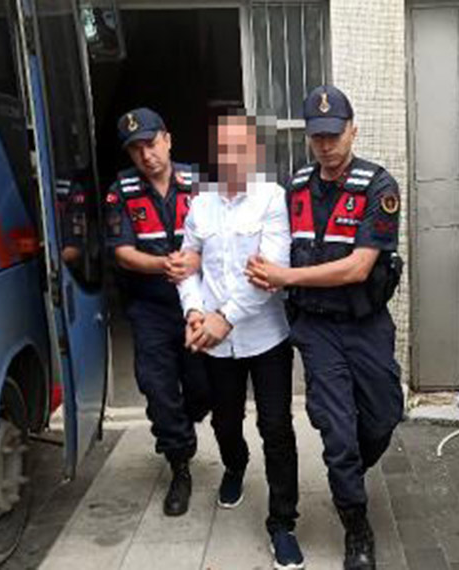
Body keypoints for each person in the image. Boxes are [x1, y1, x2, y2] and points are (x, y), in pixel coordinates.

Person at [246, 86, 403, 570]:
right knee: (338, 432)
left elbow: (358, 267)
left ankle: (349, 466)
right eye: (318, 137)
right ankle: (356, 525)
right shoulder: (294, 188)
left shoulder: (378, 187)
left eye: (335, 134)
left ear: (353, 130)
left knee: (383, 415)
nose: (327, 145)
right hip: (316, 328)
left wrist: (286, 277)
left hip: (365, 322)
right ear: (308, 138)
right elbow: (270, 246)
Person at [177, 114, 304, 569]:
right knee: (225, 421)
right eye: (223, 149)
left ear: (254, 151)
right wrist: (194, 311)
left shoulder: (272, 198)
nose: (232, 158)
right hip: (216, 342)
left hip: (266, 337)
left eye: (240, 148)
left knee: (276, 427)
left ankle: (282, 522)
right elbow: (187, 265)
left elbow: (268, 273)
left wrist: (223, 319)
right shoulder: (200, 205)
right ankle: (235, 464)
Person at [104, 107, 209, 516]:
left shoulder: (198, 184)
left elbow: (219, 241)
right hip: (150, 305)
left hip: (197, 303)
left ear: (167, 139)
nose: (146, 155)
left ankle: (185, 423)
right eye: (136, 149)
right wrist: (164, 265)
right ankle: (179, 463)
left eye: (150, 144)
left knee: (203, 387)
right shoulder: (122, 191)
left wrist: (193, 264)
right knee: (158, 388)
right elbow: (123, 253)